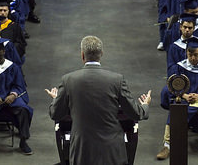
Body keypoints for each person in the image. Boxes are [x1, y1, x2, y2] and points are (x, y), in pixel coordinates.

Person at [45, 35, 151, 165]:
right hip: (111, 150)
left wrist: (57, 99)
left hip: (82, 150)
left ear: (82, 55)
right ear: (101, 54)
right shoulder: (117, 80)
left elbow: (56, 114)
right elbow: (135, 113)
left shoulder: (68, 80)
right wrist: (145, 105)